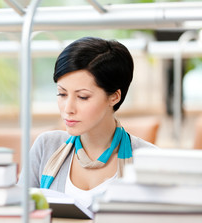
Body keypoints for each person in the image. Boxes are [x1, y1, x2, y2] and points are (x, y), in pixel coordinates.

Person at [18, 36, 157, 209]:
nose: (68, 108)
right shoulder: (46, 147)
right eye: (62, 94)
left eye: (82, 97)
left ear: (114, 96)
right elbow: (18, 216)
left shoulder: (150, 160)